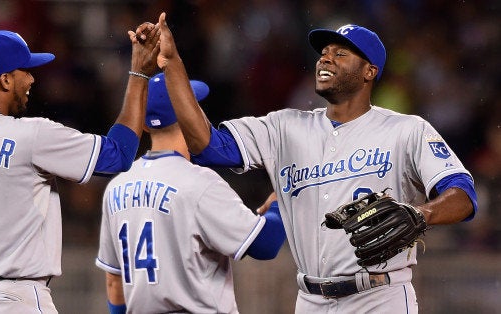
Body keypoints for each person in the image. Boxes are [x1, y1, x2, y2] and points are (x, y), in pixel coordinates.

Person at [152, 12, 478, 313]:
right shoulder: (283, 127)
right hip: (310, 300)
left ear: (369, 71)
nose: (325, 57)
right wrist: (174, 65)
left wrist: (422, 214)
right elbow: (208, 147)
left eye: (341, 53)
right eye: (324, 52)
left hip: (380, 298)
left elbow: (462, 194)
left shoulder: (406, 129)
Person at [0, 23, 160, 313]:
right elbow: (118, 155)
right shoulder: (30, 135)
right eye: (25, 71)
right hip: (14, 299)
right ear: (4, 80)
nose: (32, 79)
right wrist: (139, 72)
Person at [95, 72, 286, 314]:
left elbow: (114, 282)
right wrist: (282, 202)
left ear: (143, 123)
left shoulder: (117, 186)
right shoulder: (199, 183)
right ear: (189, 115)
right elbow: (264, 245)